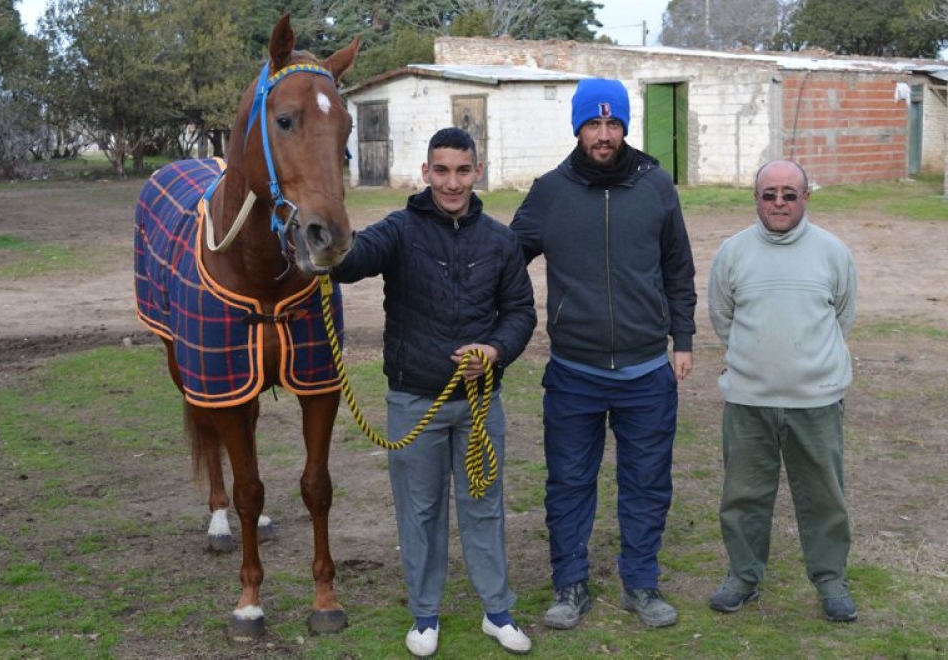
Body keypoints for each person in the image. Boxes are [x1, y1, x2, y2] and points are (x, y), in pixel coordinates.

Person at [331, 127, 537, 656]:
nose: (452, 182)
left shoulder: (499, 239)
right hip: (413, 400)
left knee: (484, 506)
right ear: (426, 173)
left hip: (479, 404)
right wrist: (325, 234)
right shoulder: (399, 230)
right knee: (419, 511)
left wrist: (494, 351)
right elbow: (352, 262)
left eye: (462, 170)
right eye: (441, 170)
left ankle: (497, 610)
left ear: (477, 173)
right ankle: (425, 616)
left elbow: (519, 313)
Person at [510, 78, 697, 629]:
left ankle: (642, 583)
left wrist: (681, 340)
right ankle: (570, 585)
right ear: (577, 128)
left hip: (646, 372)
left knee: (647, 483)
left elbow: (678, 269)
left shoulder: (657, 185)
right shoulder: (549, 191)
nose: (604, 135)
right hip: (574, 372)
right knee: (568, 482)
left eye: (613, 124)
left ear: (625, 129)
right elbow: (503, 259)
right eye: (593, 124)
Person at [706, 159, 859, 622]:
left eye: (789, 194)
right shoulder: (732, 253)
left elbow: (842, 315)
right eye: (768, 193)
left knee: (824, 497)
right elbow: (722, 316)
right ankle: (743, 577)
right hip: (749, 401)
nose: (778, 202)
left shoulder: (833, 252)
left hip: (815, 402)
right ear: (755, 198)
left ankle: (830, 579)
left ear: (805, 197)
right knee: (743, 496)